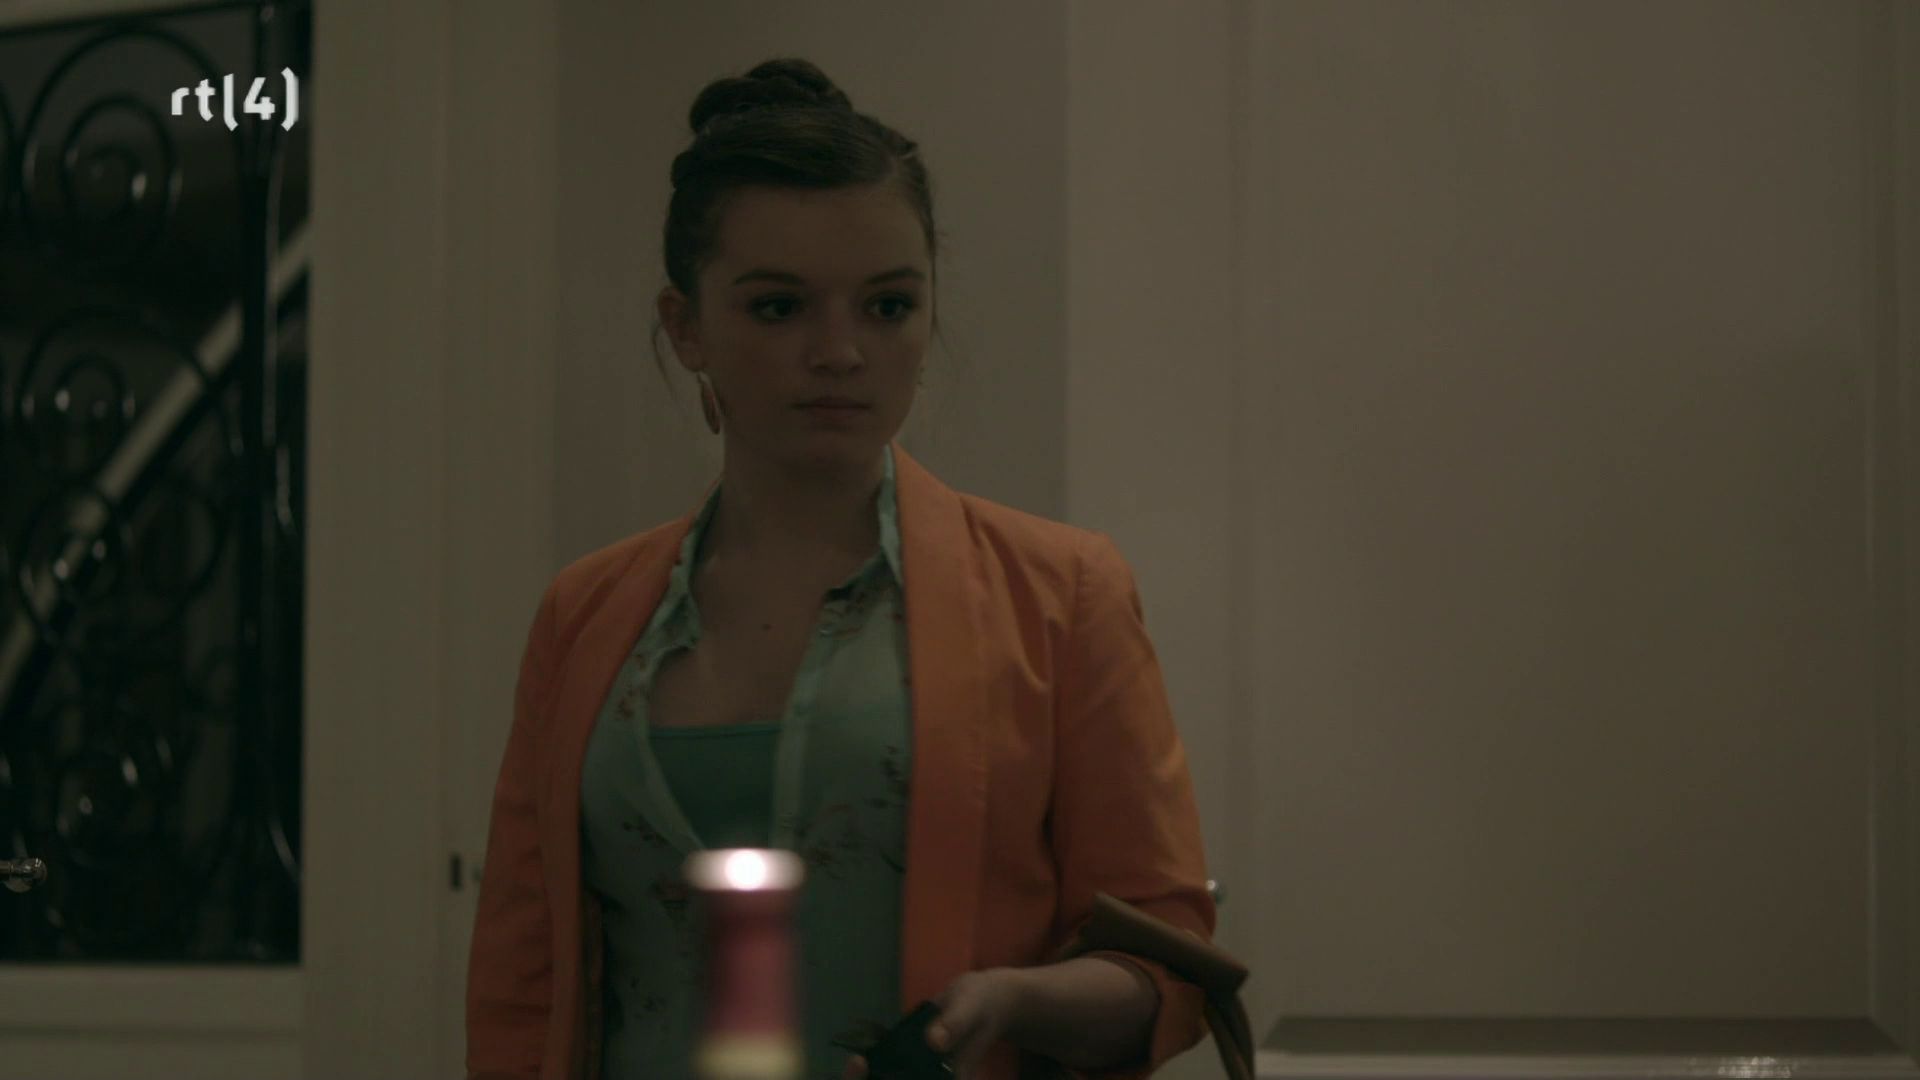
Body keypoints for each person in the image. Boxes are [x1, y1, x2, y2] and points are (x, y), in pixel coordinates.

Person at [465, 57, 1217, 1080]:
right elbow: (523, 985)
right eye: (780, 308)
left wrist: (1012, 1000)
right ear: (686, 327)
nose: (841, 352)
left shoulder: (1060, 595)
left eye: (887, 306)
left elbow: (1169, 965)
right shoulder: (587, 615)